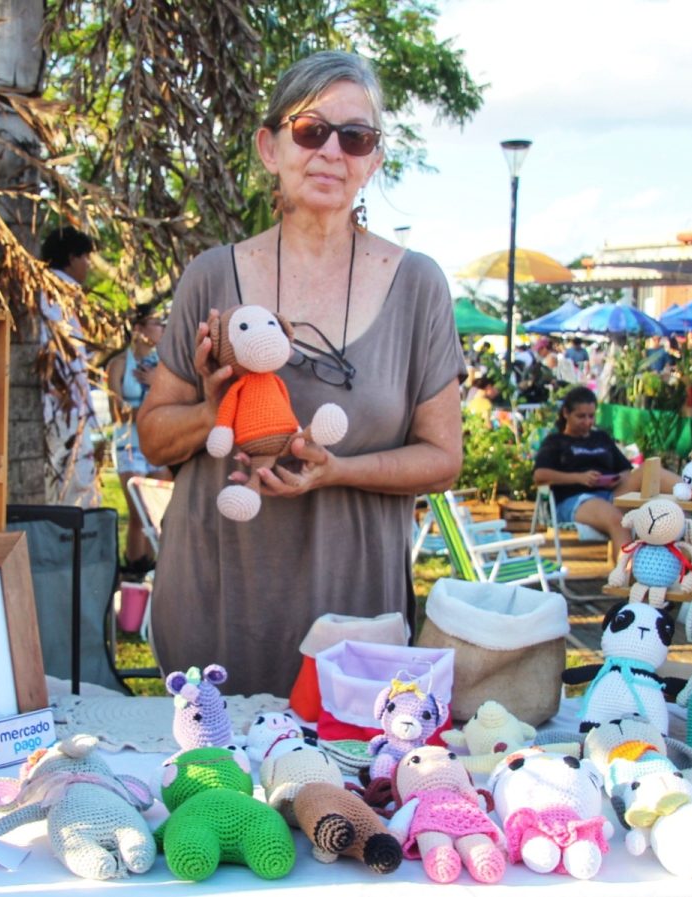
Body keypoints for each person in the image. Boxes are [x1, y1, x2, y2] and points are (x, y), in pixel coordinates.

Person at [136, 50, 464, 697]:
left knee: (348, 787)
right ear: (270, 146)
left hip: (354, 620)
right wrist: (212, 410)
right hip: (216, 597)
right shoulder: (212, 275)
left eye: (355, 136)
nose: (331, 151)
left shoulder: (418, 284)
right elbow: (153, 437)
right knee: (215, 792)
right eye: (311, 130)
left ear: (374, 159)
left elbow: (443, 457)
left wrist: (336, 470)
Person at [533, 387, 680, 553]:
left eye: (591, 416)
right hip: (577, 498)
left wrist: (615, 478)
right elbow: (540, 475)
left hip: (610, 492)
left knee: (648, 470)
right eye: (581, 416)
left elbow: (626, 470)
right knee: (619, 521)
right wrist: (579, 478)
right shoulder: (555, 441)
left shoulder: (600, 438)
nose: (588, 422)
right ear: (566, 413)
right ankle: (624, 577)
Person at [38, 226, 103, 508]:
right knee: (68, 487)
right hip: (61, 409)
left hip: (68, 406)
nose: (88, 265)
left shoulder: (62, 294)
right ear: (71, 257)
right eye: (85, 257)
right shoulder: (52, 295)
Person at [106, 305, 171, 574]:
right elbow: (116, 412)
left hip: (157, 445)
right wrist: (150, 411)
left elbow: (173, 404)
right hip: (129, 446)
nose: (163, 329)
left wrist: (157, 385)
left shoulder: (164, 366)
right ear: (138, 328)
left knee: (160, 513)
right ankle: (134, 570)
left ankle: (158, 568)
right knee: (138, 513)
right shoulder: (119, 364)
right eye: (157, 323)